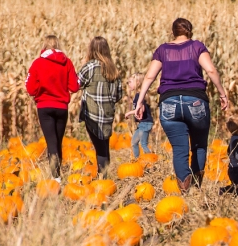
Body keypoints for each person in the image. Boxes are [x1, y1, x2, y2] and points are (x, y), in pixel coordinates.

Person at [132, 18, 231, 191]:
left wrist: (139, 102)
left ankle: (186, 193)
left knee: (179, 149)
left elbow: (149, 77)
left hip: (169, 103)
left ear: (173, 32)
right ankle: (197, 189)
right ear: (190, 31)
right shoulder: (196, 47)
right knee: (199, 144)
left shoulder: (163, 50)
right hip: (195, 101)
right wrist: (223, 94)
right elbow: (211, 70)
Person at [26, 35, 79, 178]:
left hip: (44, 107)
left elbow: (30, 89)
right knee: (57, 141)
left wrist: (40, 92)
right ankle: (58, 175)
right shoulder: (67, 62)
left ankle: (55, 178)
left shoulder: (37, 63)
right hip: (62, 107)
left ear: (44, 46)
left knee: (51, 143)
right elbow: (74, 86)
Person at [78, 36, 123, 175]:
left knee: (100, 147)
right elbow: (119, 94)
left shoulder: (89, 67)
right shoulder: (112, 69)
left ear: (91, 49)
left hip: (92, 113)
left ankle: (103, 178)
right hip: (108, 114)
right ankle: (106, 175)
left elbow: (76, 83)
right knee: (104, 145)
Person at [128, 74, 153, 157]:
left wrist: (129, 113)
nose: (128, 84)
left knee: (143, 144)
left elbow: (141, 110)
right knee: (134, 143)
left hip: (145, 124)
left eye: (130, 82)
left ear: (138, 83)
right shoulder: (137, 95)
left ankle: (151, 161)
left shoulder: (140, 96)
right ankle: (137, 161)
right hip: (142, 124)